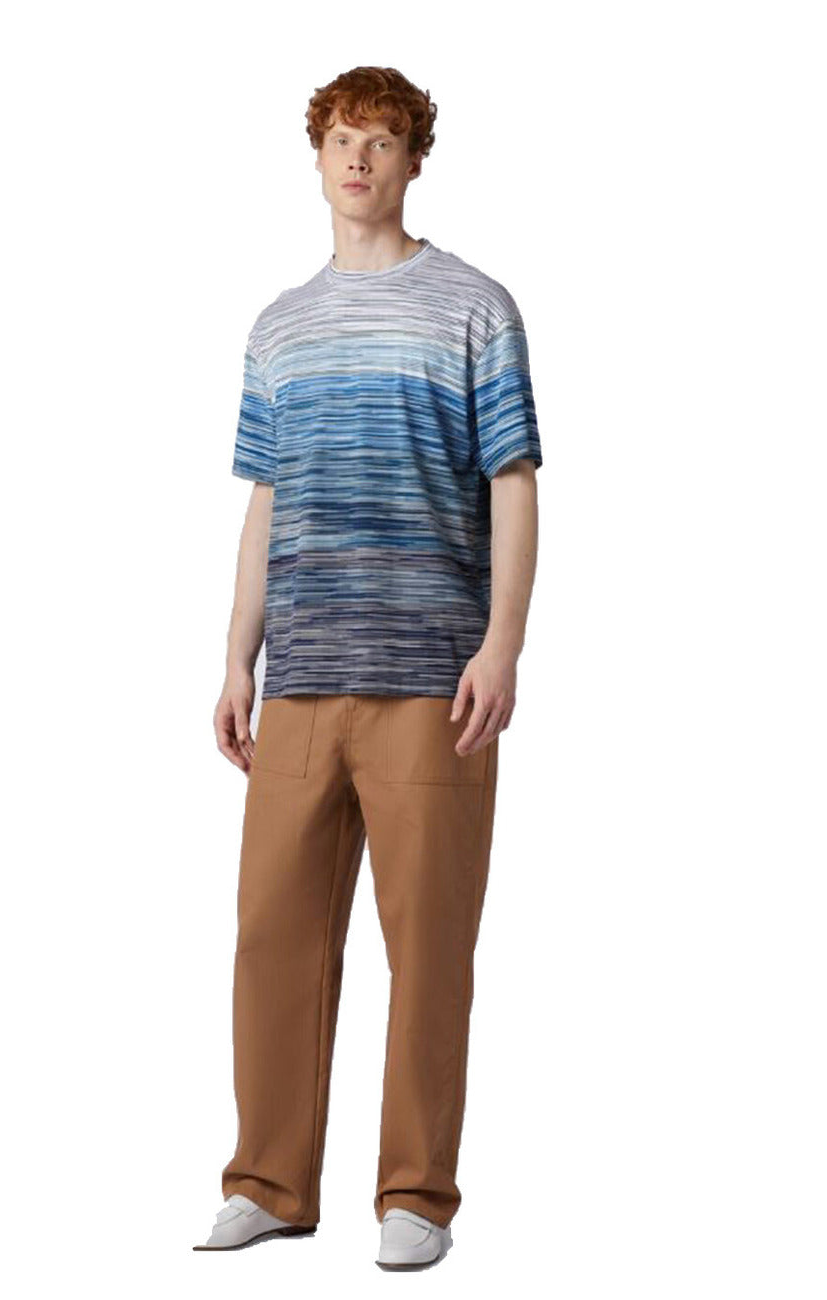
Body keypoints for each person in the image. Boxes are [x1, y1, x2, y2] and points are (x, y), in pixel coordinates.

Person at [194, 65, 541, 1271]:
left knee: (428, 948)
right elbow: (265, 500)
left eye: (382, 141)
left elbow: (513, 484)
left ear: (412, 160)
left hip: (430, 682)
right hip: (299, 679)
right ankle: (269, 1182)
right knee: (271, 943)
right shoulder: (278, 326)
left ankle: (415, 1195)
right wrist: (234, 658)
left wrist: (502, 643)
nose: (358, 159)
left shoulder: (475, 307)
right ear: (317, 154)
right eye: (342, 139)